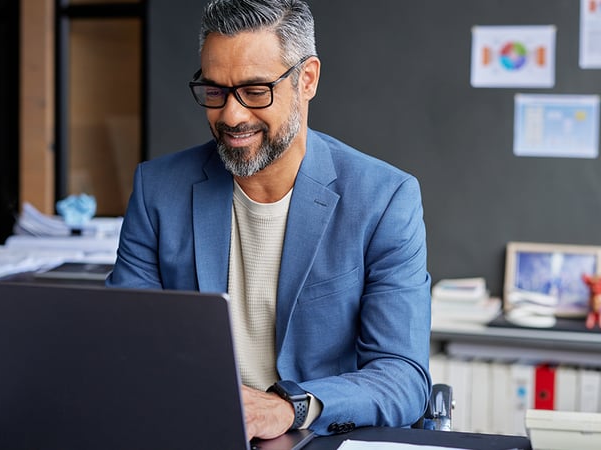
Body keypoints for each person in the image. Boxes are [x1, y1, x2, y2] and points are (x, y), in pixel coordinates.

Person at [107, 0, 432, 440]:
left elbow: (403, 377)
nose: (231, 116)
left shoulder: (383, 198)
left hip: (315, 438)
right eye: (215, 91)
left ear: (307, 79)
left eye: (256, 91)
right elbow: (122, 343)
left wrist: (290, 408)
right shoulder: (158, 189)